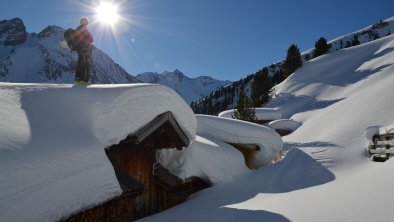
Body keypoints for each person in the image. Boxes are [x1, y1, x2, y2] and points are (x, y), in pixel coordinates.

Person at [73, 16, 93, 85]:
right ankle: (83, 81)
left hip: (81, 49)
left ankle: (78, 80)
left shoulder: (79, 29)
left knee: (81, 63)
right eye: (85, 22)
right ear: (82, 22)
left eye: (87, 22)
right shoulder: (83, 29)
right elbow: (91, 38)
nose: (86, 23)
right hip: (84, 49)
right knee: (84, 64)